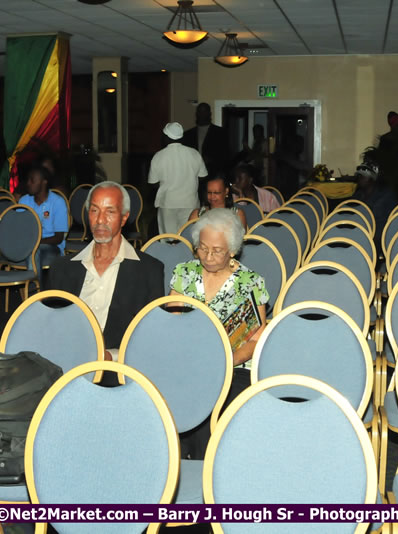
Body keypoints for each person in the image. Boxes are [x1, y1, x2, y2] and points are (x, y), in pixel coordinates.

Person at [169, 208, 268, 459]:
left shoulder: (250, 282)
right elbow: (170, 323)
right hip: (187, 363)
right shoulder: (185, 274)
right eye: (202, 248)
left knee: (215, 403)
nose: (208, 256)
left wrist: (227, 361)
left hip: (233, 367)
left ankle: (208, 468)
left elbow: (257, 338)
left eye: (217, 250)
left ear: (233, 250)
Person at [47, 181, 164, 358]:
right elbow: (50, 327)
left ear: (124, 217)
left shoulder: (149, 271)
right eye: (94, 210)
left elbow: (152, 337)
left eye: (110, 211)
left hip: (120, 370)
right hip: (66, 364)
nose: (100, 220)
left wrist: (112, 356)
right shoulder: (62, 268)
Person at [148, 122, 207, 234]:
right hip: (190, 202)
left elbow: (152, 183)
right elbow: (203, 176)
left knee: (168, 238)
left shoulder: (159, 156)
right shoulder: (194, 153)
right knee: (188, 237)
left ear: (166, 137)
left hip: (168, 203)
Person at [19, 165, 68, 259]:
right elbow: (20, 229)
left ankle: (34, 274)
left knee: (34, 252)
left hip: (52, 247)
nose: (28, 183)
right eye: (28, 180)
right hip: (28, 244)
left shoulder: (57, 202)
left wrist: (35, 242)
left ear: (44, 182)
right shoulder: (24, 201)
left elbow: (58, 238)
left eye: (32, 180)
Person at [352, 161, 398, 256]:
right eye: (359, 176)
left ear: (372, 178)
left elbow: (391, 222)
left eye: (363, 176)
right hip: (361, 235)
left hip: (380, 238)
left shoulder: (386, 195)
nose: (360, 179)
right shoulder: (358, 195)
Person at [182, 102, 229, 174]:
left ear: (209, 114)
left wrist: (211, 160)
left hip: (213, 174)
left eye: (204, 112)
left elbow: (226, 156)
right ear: (196, 114)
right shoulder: (188, 135)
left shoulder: (220, 133)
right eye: (200, 112)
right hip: (193, 174)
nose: (202, 114)